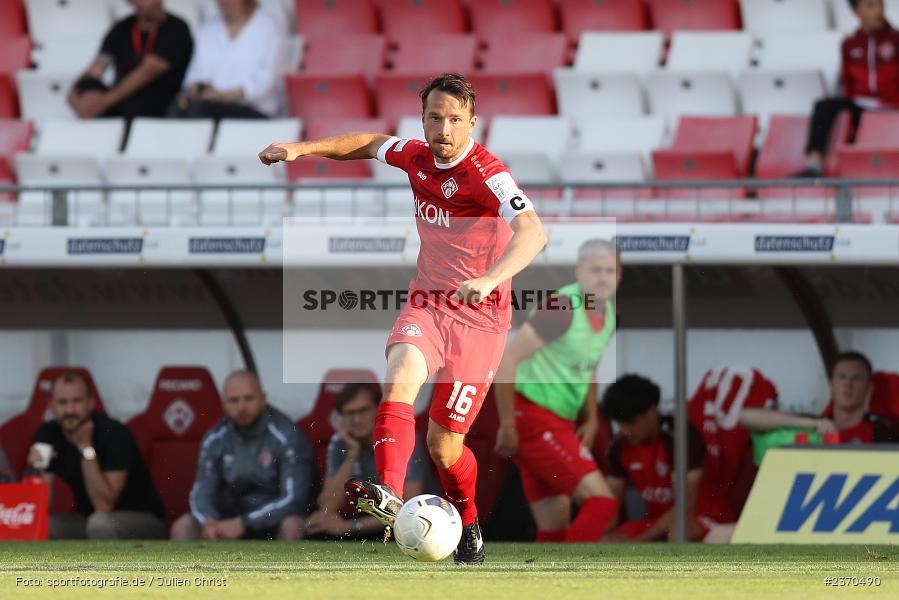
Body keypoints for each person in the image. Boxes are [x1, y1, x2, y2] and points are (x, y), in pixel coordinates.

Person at [259, 73, 548, 564]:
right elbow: (369, 143)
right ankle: (390, 493)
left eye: (454, 119)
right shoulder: (415, 156)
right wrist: (299, 149)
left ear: (472, 122)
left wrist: (490, 278)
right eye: (435, 118)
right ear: (423, 120)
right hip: (429, 304)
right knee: (398, 379)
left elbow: (533, 232)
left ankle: (469, 521)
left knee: (444, 445)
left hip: (481, 320)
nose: (444, 129)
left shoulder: (488, 173)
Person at [492, 238, 621, 543]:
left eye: (611, 271)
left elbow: (588, 367)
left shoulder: (608, 314)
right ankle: (574, 571)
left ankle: (547, 574)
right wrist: (508, 424)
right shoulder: (561, 308)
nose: (604, 278)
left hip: (557, 422)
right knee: (602, 502)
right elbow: (507, 360)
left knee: (554, 530)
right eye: (596, 270)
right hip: (534, 419)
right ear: (579, 272)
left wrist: (592, 418)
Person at [170, 370, 315, 541]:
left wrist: (245, 523)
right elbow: (201, 493)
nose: (241, 407)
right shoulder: (215, 438)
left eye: (249, 398)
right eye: (234, 400)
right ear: (223, 404)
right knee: (183, 526)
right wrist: (209, 522)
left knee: (293, 525)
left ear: (263, 399)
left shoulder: (287, 435)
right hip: (227, 521)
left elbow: (294, 499)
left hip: (273, 521)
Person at [28, 371, 167, 539]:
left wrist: (86, 448)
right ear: (51, 406)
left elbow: (104, 505)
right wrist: (38, 470)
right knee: (44, 524)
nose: (70, 409)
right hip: (90, 519)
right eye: (62, 402)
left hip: (143, 519)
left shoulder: (114, 433)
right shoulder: (47, 433)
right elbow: (41, 507)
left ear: (90, 403)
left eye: (77, 401)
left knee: (100, 524)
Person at [305, 382, 426, 539]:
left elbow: (408, 508)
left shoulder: (400, 438)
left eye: (363, 411)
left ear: (378, 410)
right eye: (349, 413)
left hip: (413, 525)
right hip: (364, 524)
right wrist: (351, 455)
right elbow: (327, 507)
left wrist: (350, 526)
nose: (356, 420)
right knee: (316, 528)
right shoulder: (340, 442)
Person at [794, 0, 899, 177]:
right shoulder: (849, 44)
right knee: (824, 106)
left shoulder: (896, 40)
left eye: (880, 5)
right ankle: (814, 165)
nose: (878, 11)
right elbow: (848, 83)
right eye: (870, 6)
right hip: (861, 107)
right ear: (856, 11)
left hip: (893, 105)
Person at [601, 375, 710, 543]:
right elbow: (609, 506)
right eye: (620, 424)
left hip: (699, 520)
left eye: (630, 422)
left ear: (651, 411)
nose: (624, 431)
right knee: (607, 540)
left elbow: (685, 507)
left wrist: (638, 543)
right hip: (655, 525)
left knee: (679, 534)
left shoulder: (680, 437)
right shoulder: (619, 446)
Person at [67, 0, 192, 120]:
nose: (155, 1)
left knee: (137, 100)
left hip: (160, 100)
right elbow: (96, 69)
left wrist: (106, 101)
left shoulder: (176, 27)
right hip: (121, 99)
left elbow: (148, 71)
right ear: (131, 1)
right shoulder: (121, 29)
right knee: (88, 87)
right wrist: (74, 95)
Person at [740, 351, 899, 443]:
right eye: (842, 377)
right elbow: (744, 417)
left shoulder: (884, 431)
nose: (848, 384)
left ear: (869, 387)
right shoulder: (813, 422)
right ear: (831, 384)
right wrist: (812, 424)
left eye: (856, 378)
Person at [172, 0, 285, 119]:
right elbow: (194, 75)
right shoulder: (209, 27)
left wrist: (226, 96)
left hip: (253, 110)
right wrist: (198, 89)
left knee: (197, 112)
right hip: (209, 105)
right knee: (178, 107)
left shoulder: (268, 27)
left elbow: (265, 83)